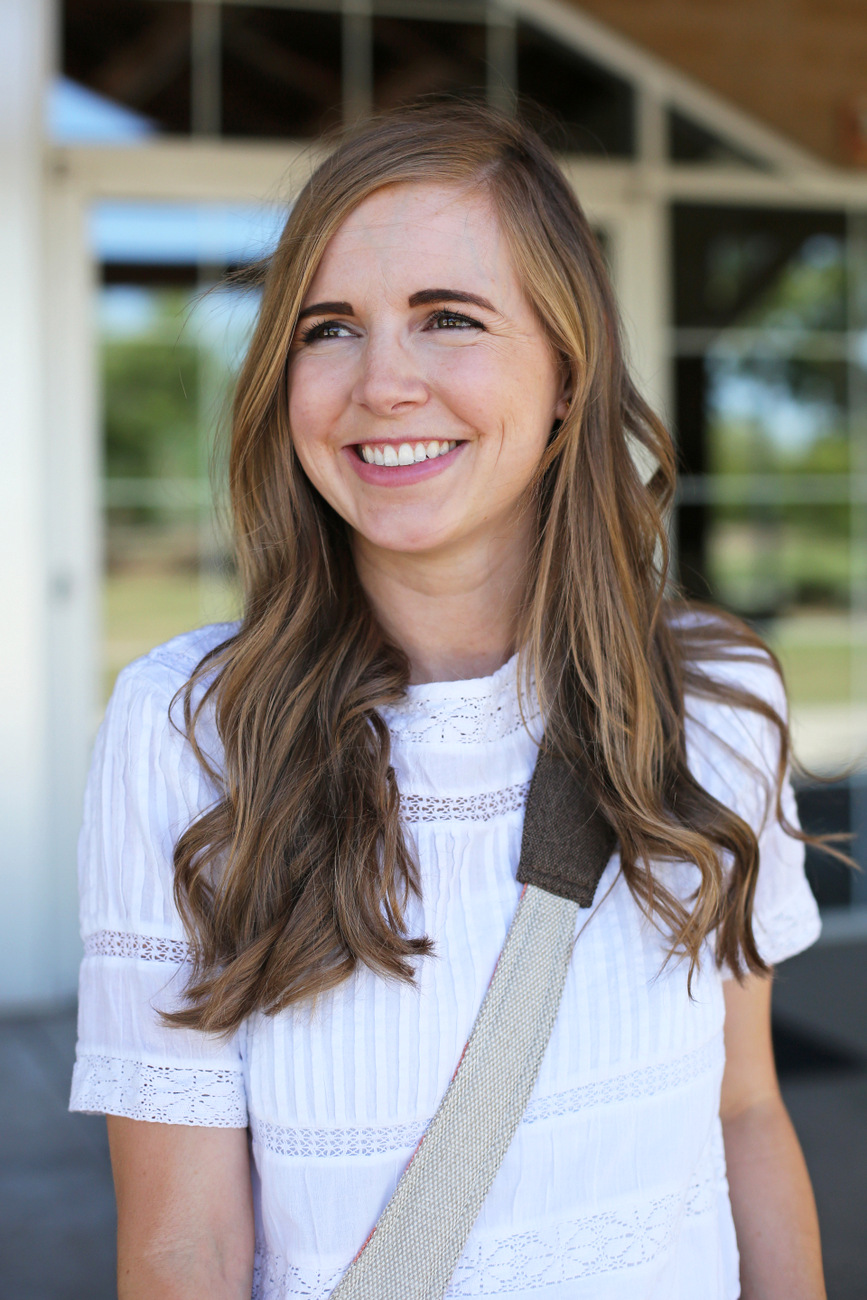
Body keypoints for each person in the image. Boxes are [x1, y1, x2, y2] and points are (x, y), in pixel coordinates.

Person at [70, 103, 827, 1300]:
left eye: (449, 319)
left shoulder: (717, 705)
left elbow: (744, 1114)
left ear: (568, 375)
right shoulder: (190, 732)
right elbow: (181, 1250)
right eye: (331, 329)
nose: (383, 383)